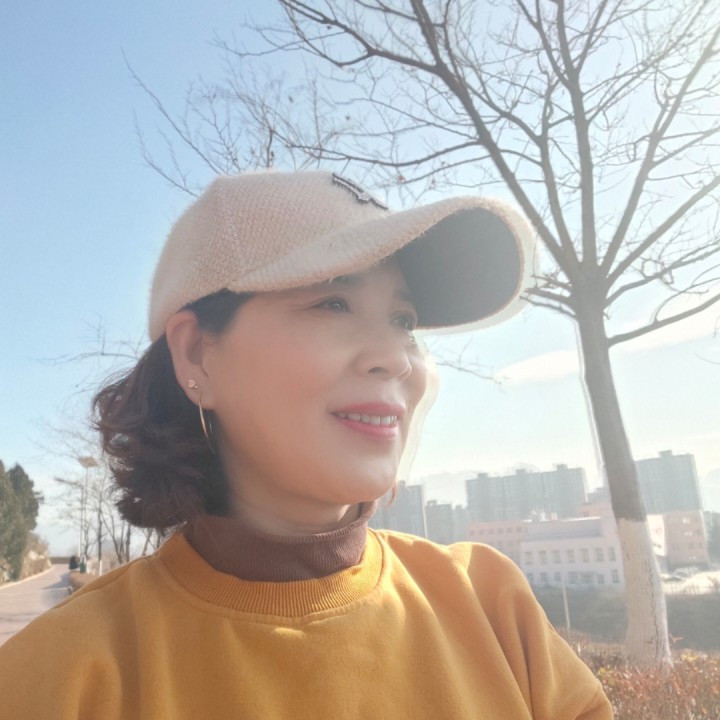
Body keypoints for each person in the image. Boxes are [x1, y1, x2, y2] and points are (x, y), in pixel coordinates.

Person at [0, 171, 612, 718]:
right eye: (333, 303)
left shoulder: (492, 605)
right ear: (196, 354)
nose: (397, 358)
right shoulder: (58, 675)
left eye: (404, 320)